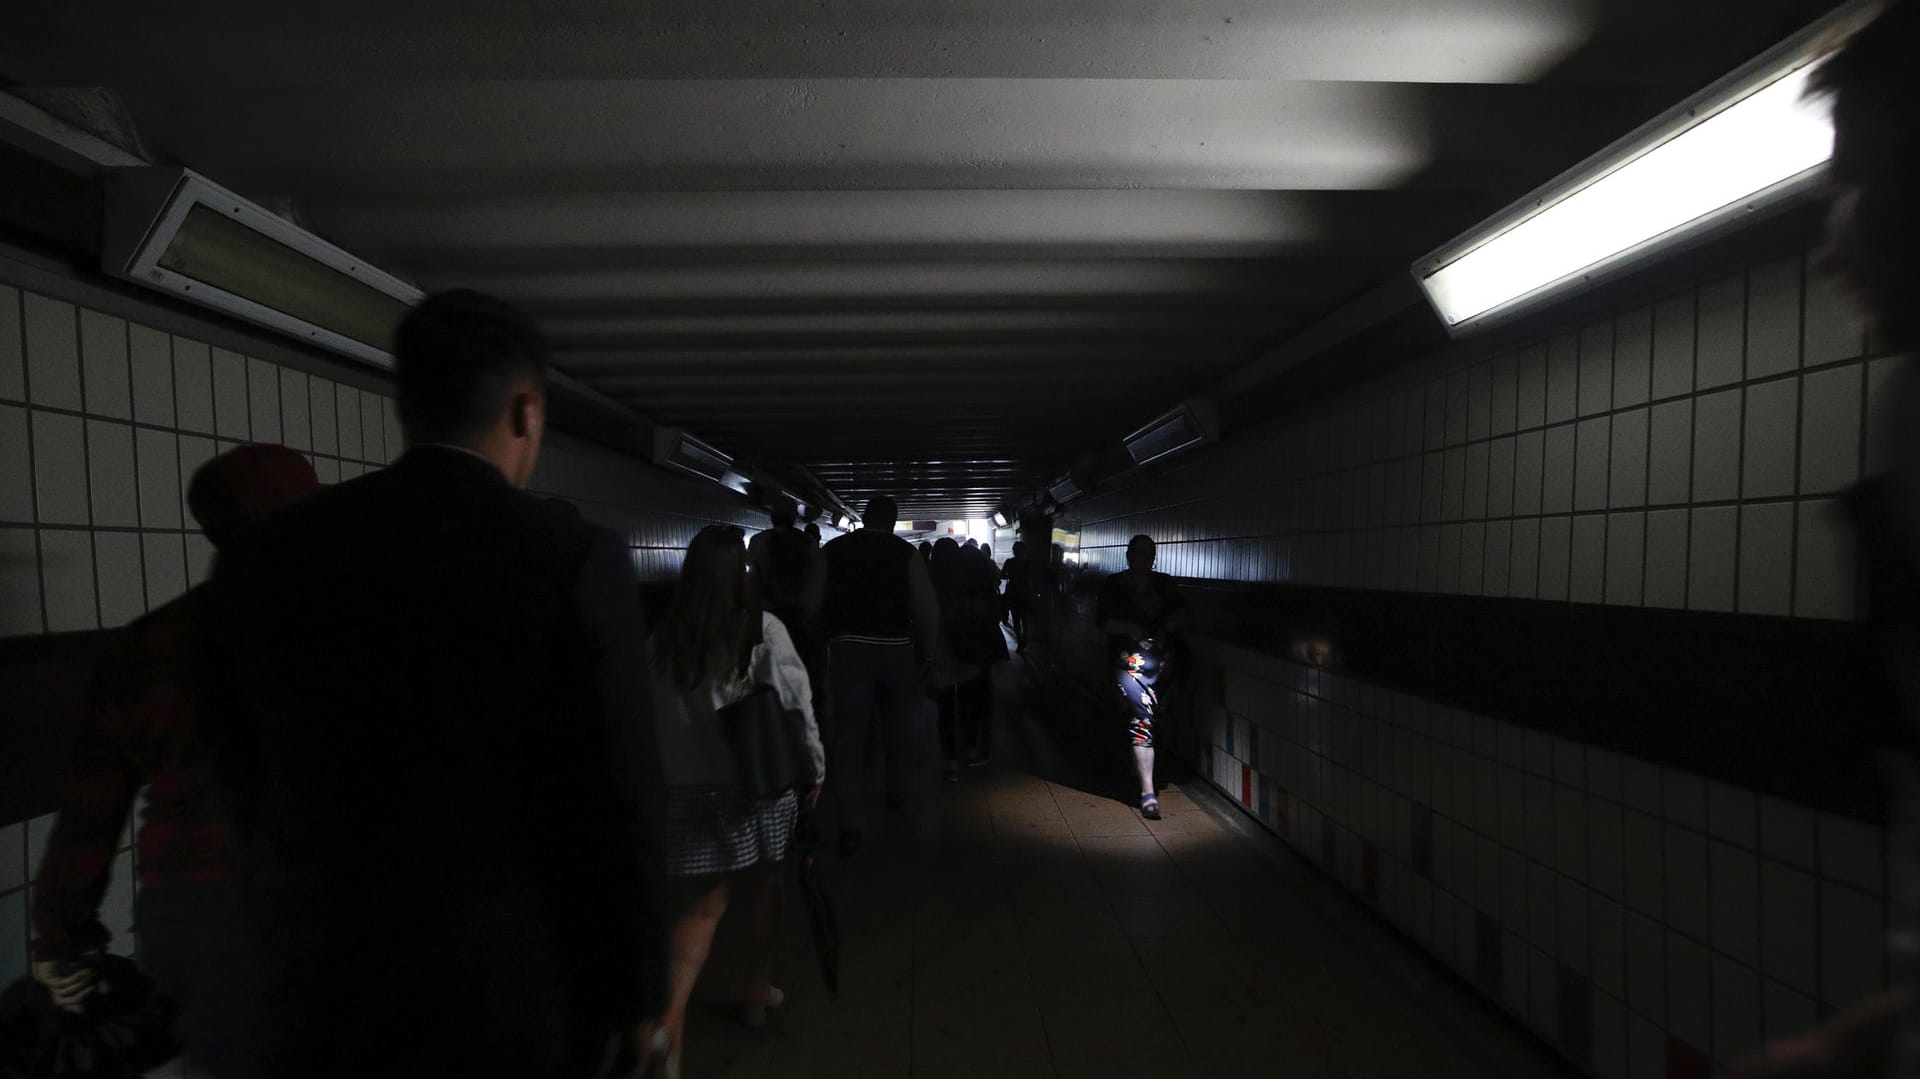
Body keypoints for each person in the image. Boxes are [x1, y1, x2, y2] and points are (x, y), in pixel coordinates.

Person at [196, 290, 667, 1078]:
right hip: (515, 981)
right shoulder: (571, 557)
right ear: (526, 411)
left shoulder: (265, 555)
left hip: (322, 977)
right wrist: (637, 991)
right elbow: (621, 793)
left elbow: (234, 766)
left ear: (406, 406)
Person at [30, 445, 320, 1073]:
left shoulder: (147, 646)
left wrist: (61, 940)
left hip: (189, 910)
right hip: (321, 901)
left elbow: (89, 811)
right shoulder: (357, 632)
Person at [650, 526, 824, 1078]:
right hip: (755, 789)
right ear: (744, 575)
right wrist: (815, 766)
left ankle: (666, 1023)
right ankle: (755, 990)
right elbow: (797, 704)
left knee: (698, 913)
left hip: (683, 790)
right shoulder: (762, 630)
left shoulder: (659, 639)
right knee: (764, 891)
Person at [820, 495, 940, 856]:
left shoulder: (833, 550)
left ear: (863, 518)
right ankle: (895, 792)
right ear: (892, 521)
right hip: (896, 649)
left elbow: (812, 602)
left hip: (848, 650)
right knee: (899, 726)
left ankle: (850, 824)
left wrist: (827, 636)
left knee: (849, 735)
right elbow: (925, 606)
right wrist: (929, 654)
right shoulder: (906, 554)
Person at [1095, 535, 1187, 820]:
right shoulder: (1114, 585)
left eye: (1149, 555)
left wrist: (1168, 627)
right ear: (1128, 556)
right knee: (1142, 720)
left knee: (1152, 719)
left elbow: (1182, 613)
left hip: (1161, 667)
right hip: (1129, 667)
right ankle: (1148, 793)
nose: (1144, 561)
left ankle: (1139, 771)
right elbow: (1103, 621)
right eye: (1139, 554)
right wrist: (1130, 628)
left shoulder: (1165, 584)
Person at [927, 539, 1006, 779]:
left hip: (941, 653)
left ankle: (950, 760)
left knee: (945, 708)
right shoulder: (971, 584)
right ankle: (971, 748)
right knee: (970, 703)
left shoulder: (932, 581)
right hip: (969, 653)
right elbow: (994, 616)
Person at [1001, 541, 1033, 652]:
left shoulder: (1009, 562)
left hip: (1013, 594)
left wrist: (1010, 576)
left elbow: (1002, 576)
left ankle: (1020, 642)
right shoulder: (1028, 564)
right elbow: (1033, 579)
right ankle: (1025, 640)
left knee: (1016, 620)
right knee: (1025, 620)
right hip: (1025, 594)